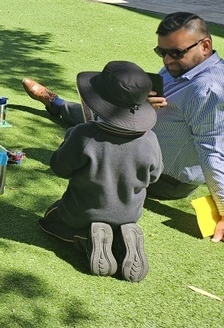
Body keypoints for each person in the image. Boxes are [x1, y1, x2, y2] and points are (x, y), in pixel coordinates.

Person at [23, 12, 224, 241]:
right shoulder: (185, 67)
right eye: (162, 52)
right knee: (111, 108)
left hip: (163, 178)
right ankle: (56, 103)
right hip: (142, 133)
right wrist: (141, 107)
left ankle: (59, 105)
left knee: (100, 130)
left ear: (205, 46)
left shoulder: (210, 90)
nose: (167, 61)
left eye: (176, 53)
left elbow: (213, 149)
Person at [39, 61, 163, 282]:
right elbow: (154, 176)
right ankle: (120, 239)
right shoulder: (150, 139)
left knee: (50, 220)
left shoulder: (84, 135)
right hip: (129, 216)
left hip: (80, 214)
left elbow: (59, 167)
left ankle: (87, 239)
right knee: (119, 219)